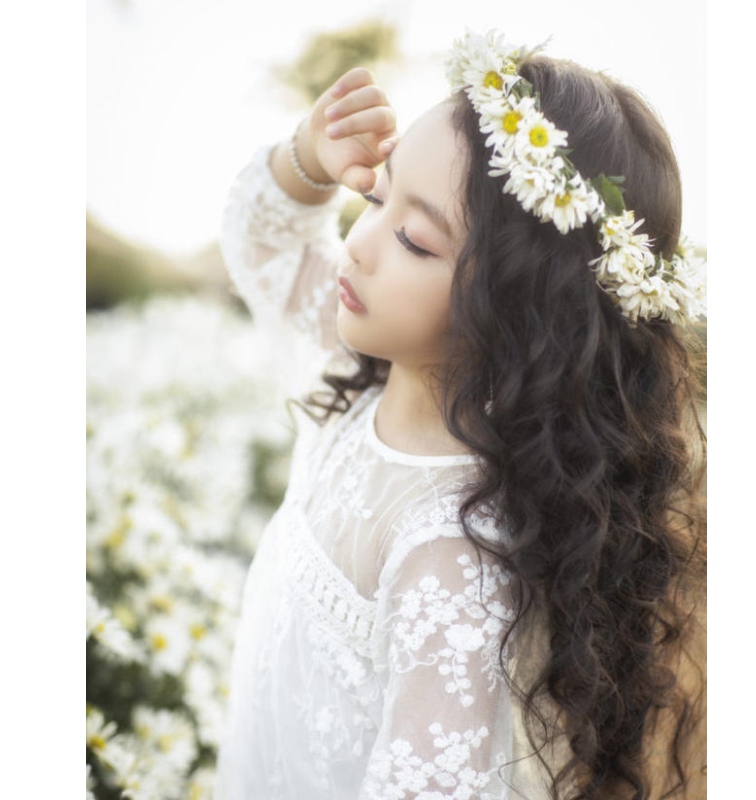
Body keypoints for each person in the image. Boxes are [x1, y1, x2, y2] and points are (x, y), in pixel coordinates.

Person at [214, 30, 707, 800]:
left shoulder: (448, 552)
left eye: (415, 239)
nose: (361, 243)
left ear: (520, 314)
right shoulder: (369, 380)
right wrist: (308, 158)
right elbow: (263, 242)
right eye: (375, 196)